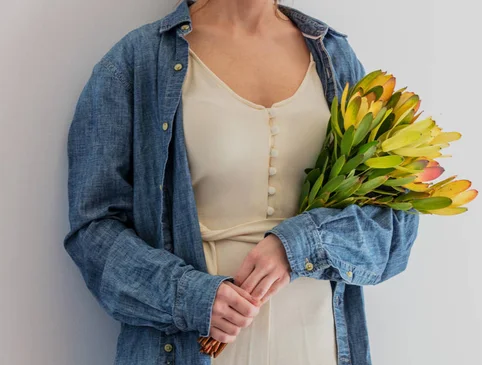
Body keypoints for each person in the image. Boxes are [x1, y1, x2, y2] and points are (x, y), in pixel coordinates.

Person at [63, 1, 420, 364]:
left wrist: (298, 246)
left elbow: (394, 225)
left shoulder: (333, 55)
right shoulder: (136, 63)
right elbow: (94, 232)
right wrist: (191, 298)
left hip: (317, 345)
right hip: (193, 348)